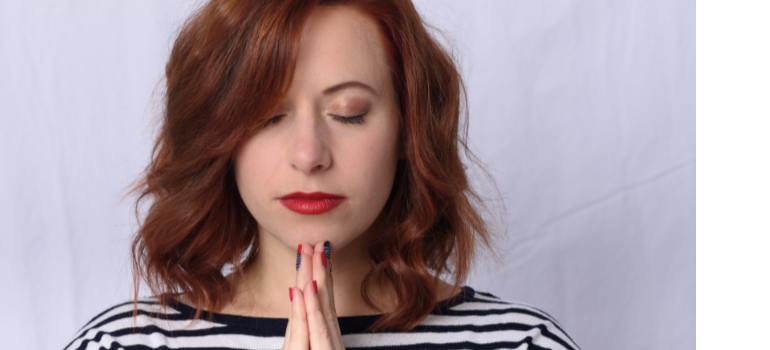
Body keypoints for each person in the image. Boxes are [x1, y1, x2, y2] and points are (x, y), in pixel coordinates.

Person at [65, 0, 580, 349]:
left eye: (349, 113)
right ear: (222, 135)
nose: (309, 155)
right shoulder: (122, 344)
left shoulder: (518, 342)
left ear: (408, 129)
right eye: (266, 116)